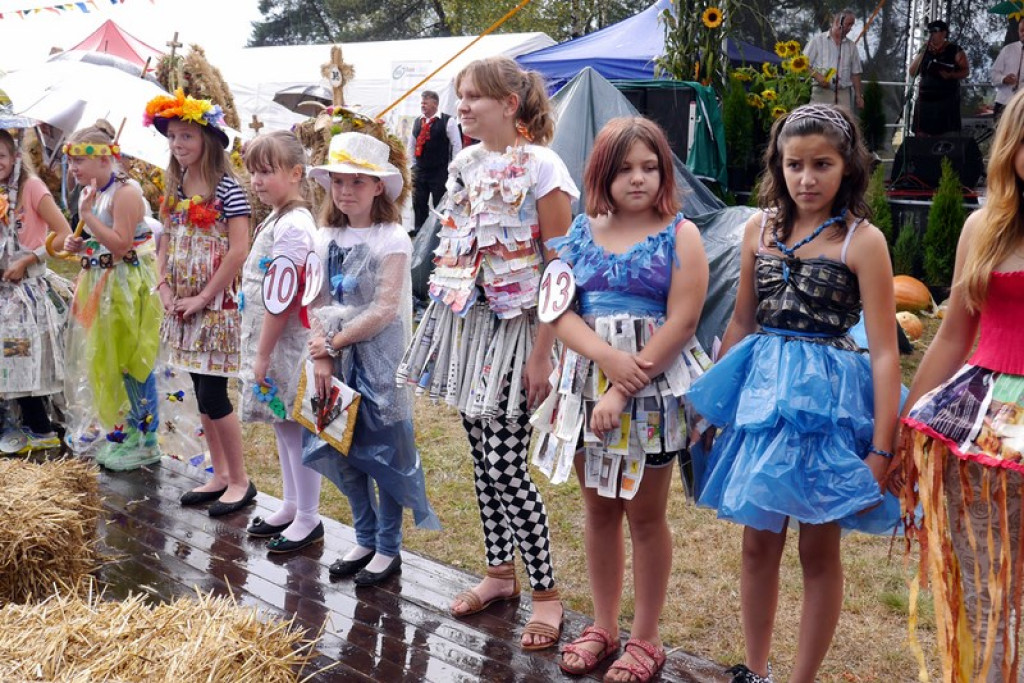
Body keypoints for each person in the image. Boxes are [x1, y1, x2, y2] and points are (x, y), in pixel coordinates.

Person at [686, 104, 900, 683]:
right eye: (794, 165)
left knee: (817, 551)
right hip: (762, 402)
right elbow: (740, 322)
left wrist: (882, 448)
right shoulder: (758, 228)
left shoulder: (863, 240)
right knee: (758, 546)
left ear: (847, 167)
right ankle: (755, 671)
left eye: (822, 165)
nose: (807, 179)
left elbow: (884, 351)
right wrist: (711, 405)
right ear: (778, 166)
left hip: (823, 409)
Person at [396, 56, 577, 650]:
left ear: (511, 103)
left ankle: (546, 594)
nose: (463, 107)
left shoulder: (545, 167)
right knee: (481, 459)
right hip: (472, 331)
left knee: (505, 464)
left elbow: (559, 267)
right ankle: (500, 574)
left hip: (522, 334)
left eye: (474, 97)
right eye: (460, 96)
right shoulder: (466, 163)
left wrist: (542, 355)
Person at [533, 117, 708, 682]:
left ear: (664, 171)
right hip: (585, 385)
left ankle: (646, 637)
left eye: (650, 167)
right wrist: (604, 364)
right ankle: (604, 626)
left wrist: (623, 386)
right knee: (599, 509)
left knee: (645, 515)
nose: (638, 179)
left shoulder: (681, 234)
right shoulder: (581, 232)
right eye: (625, 168)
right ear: (602, 174)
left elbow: (682, 321)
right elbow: (558, 309)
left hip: (651, 391)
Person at [891, 89, 1024, 682]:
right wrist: (907, 418)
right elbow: (950, 338)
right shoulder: (983, 227)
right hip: (981, 426)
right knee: (984, 583)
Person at [304, 131, 441, 585]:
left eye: (357, 183)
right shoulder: (325, 235)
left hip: (379, 356)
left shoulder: (392, 238)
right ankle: (363, 535)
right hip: (335, 355)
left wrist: (334, 343)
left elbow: (384, 308)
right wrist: (322, 355)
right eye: (339, 182)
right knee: (342, 445)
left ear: (378, 186)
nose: (346, 191)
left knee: (386, 450)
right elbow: (318, 296)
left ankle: (388, 546)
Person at [145, 89, 255, 516]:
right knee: (199, 391)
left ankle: (241, 480)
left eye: (187, 136)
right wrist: (167, 289)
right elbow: (165, 243)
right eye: (173, 137)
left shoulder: (229, 189)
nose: (178, 145)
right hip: (182, 306)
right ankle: (220, 473)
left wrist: (204, 297)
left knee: (215, 394)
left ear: (208, 140)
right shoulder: (173, 188)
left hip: (215, 307)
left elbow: (238, 250)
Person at [62, 120, 164, 470]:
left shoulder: (126, 192)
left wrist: (88, 216)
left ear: (105, 159)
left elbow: (121, 245)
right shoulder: (94, 191)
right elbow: (100, 240)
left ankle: (146, 438)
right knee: (107, 361)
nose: (73, 168)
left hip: (127, 285)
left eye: (79, 160)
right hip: (103, 284)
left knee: (132, 361)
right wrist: (80, 242)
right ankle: (125, 432)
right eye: (71, 161)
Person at [240, 131, 321, 553]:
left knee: (295, 425)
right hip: (271, 343)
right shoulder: (276, 217)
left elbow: (283, 297)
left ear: (295, 174)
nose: (257, 179)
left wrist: (263, 353)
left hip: (284, 346)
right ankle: (291, 504)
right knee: (282, 424)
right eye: (253, 171)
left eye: (267, 171)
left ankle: (308, 515)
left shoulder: (293, 226)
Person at [0, 127, 73, 449]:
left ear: (15, 157)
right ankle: (14, 424)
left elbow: (62, 232)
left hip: (26, 291)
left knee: (19, 356)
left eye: (0, 156)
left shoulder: (32, 188)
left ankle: (39, 426)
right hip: (3, 288)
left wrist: (28, 258)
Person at [408, 90, 462, 233]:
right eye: (422, 102)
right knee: (419, 202)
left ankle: (440, 231)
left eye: (425, 102)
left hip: (439, 170)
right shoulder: (417, 121)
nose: (422, 105)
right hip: (420, 170)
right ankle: (419, 229)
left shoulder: (447, 121)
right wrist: (413, 165)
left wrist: (453, 167)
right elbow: (411, 144)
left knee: (440, 202)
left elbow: (457, 145)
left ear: (435, 104)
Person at [910, 20, 969, 136]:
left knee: (946, 135)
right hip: (926, 98)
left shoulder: (955, 50)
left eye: (935, 31)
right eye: (929, 31)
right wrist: (923, 52)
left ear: (944, 33)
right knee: (922, 135)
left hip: (946, 99)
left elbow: (965, 71)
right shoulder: (925, 49)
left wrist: (951, 75)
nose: (931, 34)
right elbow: (912, 72)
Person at [805, 9, 864, 110]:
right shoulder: (817, 41)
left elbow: (856, 73)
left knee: (844, 122)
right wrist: (818, 76)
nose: (850, 28)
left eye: (852, 25)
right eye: (848, 24)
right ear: (837, 22)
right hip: (821, 92)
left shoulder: (852, 46)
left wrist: (859, 96)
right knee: (818, 122)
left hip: (843, 92)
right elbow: (804, 64)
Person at [990, 20, 1024, 124]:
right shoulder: (1008, 49)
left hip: (1022, 105)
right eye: (1021, 30)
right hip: (1004, 103)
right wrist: (1003, 79)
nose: (1023, 33)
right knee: (1001, 137)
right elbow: (993, 75)